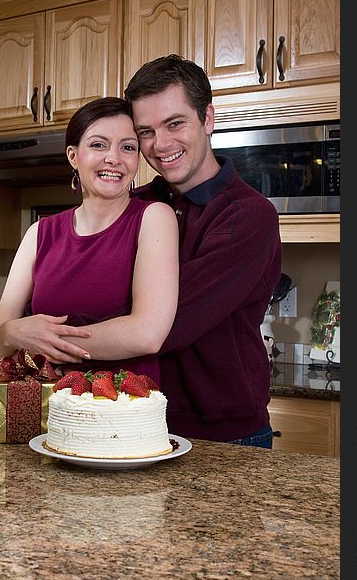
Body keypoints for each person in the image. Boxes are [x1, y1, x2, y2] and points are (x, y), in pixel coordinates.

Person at [124, 55, 282, 446]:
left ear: (207, 118)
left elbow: (167, 324)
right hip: (135, 421)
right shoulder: (135, 206)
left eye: (175, 123)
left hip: (224, 436)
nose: (160, 145)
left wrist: (58, 332)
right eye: (145, 131)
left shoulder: (248, 216)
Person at [0, 97, 179, 384]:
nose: (114, 158)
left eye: (128, 147)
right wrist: (13, 333)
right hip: (50, 413)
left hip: (123, 414)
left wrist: (44, 342)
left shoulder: (154, 217)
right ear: (73, 156)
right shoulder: (40, 233)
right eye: (98, 144)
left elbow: (147, 334)